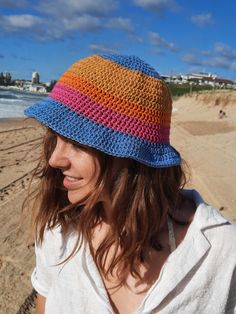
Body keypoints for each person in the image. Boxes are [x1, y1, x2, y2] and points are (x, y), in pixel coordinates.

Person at [24, 54, 236, 314]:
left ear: (131, 156)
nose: (54, 159)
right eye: (54, 139)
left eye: (78, 144)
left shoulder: (221, 254)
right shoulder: (58, 231)